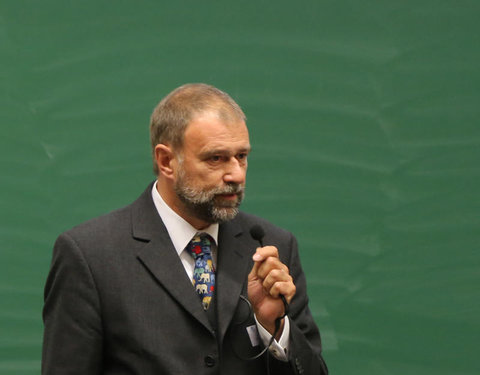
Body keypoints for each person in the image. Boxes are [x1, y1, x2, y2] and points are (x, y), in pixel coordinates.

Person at [42, 83, 328, 374]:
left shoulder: (271, 247)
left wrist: (274, 328)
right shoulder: (91, 256)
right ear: (167, 161)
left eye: (241, 156)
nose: (235, 174)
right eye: (215, 158)